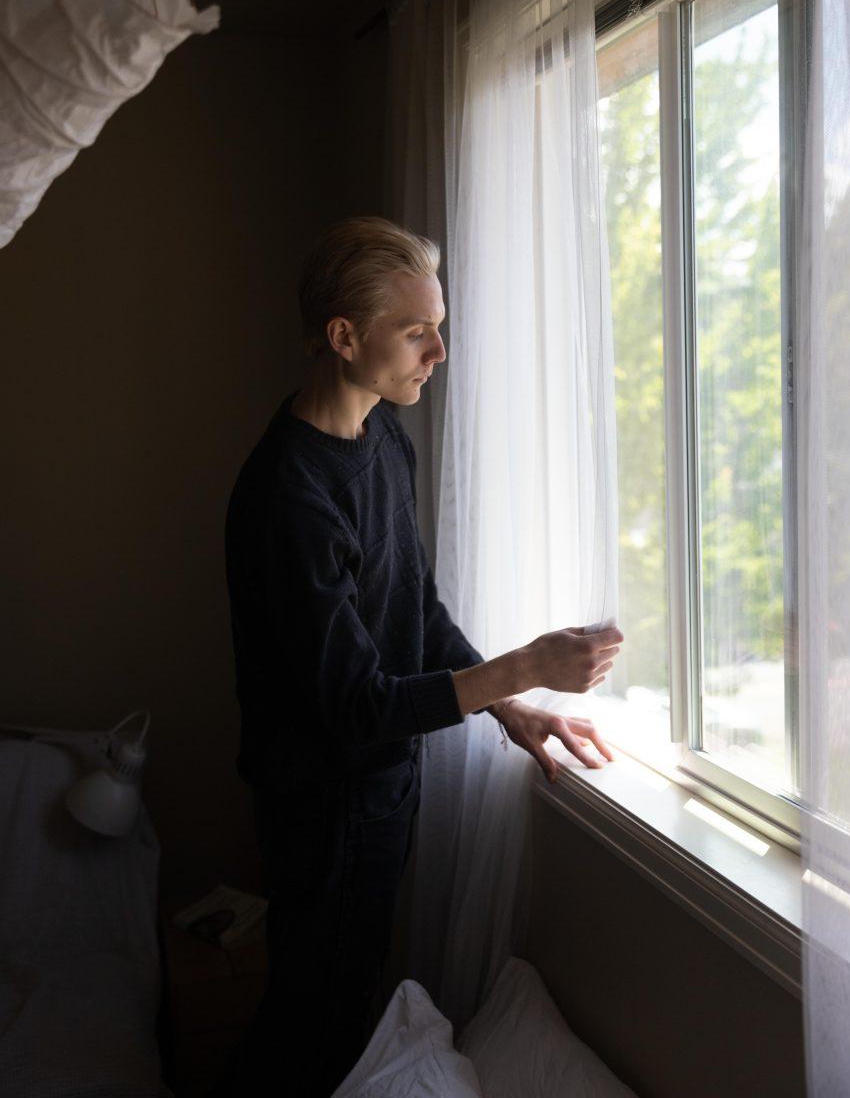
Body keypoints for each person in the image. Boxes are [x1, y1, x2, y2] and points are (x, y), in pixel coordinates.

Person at [221, 215, 623, 1097]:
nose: (438, 350)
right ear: (344, 337)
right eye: (415, 331)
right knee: (309, 1024)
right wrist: (520, 667)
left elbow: (415, 612)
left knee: (351, 1005)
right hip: (321, 808)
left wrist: (509, 707)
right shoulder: (289, 498)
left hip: (383, 789)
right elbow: (358, 705)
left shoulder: (381, 439)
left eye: (436, 325)